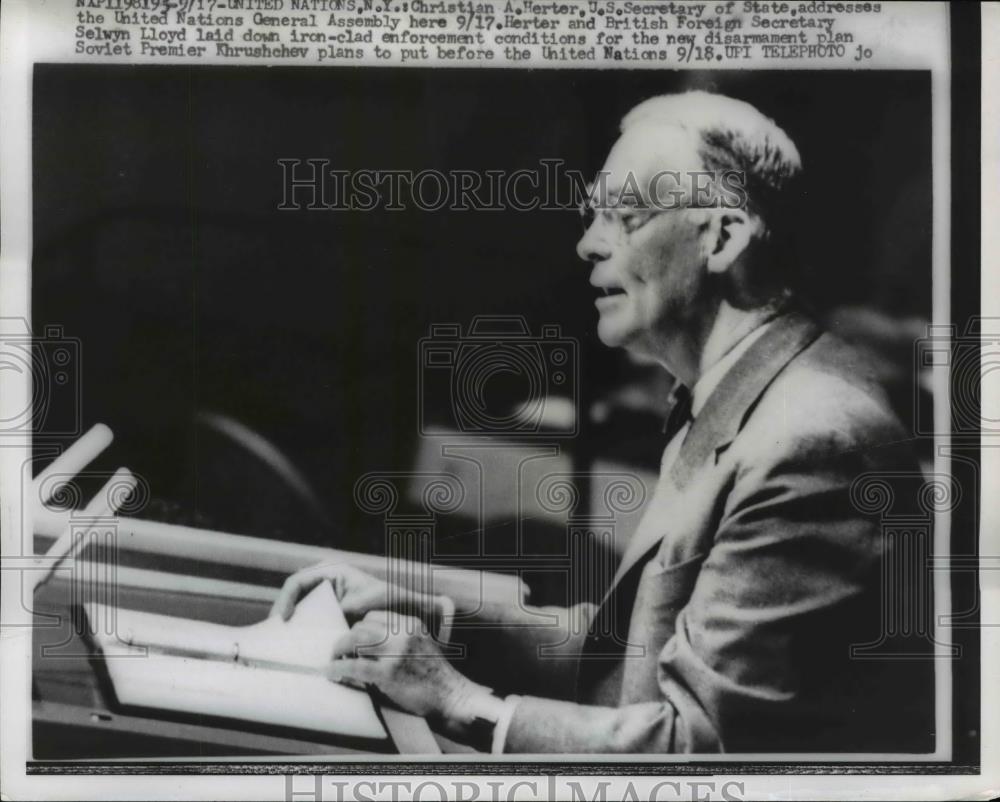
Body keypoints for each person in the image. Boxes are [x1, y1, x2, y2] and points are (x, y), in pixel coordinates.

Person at [273, 91, 934, 754]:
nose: (588, 244)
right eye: (594, 214)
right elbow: (635, 651)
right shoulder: (745, 388)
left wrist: (460, 702)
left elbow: (699, 745)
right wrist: (436, 618)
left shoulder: (813, 441)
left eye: (625, 215)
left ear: (722, 236)